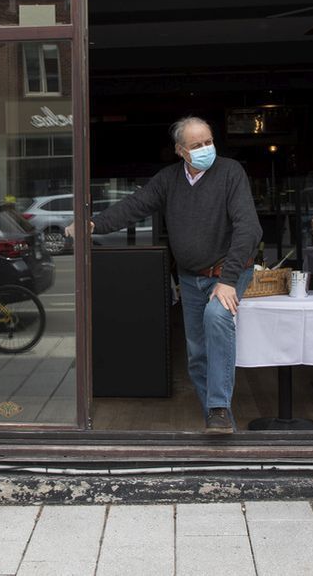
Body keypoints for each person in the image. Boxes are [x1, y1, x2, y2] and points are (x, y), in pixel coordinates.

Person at [65, 116, 261, 434]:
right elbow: (135, 205)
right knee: (196, 353)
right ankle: (215, 419)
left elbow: (248, 227)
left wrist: (227, 279)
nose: (205, 149)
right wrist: (93, 225)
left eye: (208, 142)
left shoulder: (230, 172)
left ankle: (219, 409)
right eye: (197, 145)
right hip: (190, 276)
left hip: (227, 272)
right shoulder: (168, 179)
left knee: (216, 317)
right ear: (181, 150)